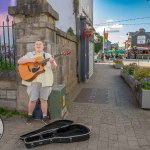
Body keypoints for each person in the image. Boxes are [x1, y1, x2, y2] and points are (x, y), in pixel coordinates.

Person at [18, 40, 57, 124]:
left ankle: (45, 117)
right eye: (36, 44)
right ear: (34, 46)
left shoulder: (48, 55)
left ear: (43, 46)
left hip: (45, 81)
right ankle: (30, 116)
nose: (38, 45)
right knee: (32, 100)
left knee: (44, 100)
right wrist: (31, 60)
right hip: (33, 81)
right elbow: (19, 61)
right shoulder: (30, 54)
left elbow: (54, 69)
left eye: (40, 44)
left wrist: (52, 62)